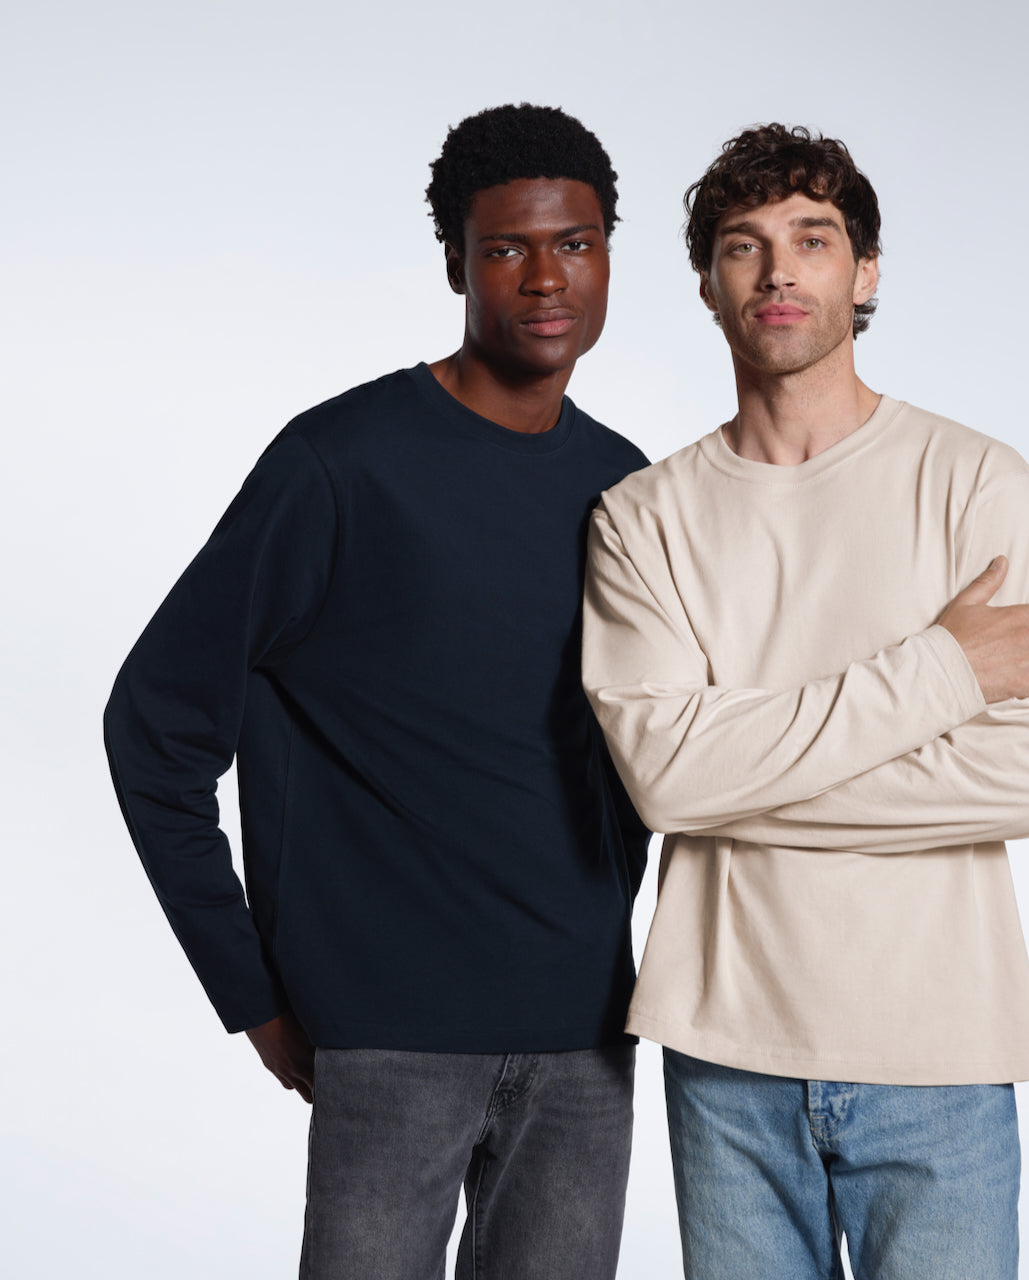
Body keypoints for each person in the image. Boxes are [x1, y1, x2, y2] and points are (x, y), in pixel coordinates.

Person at [104, 103, 649, 1280]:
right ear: (455, 260)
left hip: (589, 1035)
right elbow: (155, 725)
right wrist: (249, 990)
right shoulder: (339, 465)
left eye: (578, 241)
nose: (546, 278)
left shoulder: (630, 488)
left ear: (610, 255)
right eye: (506, 247)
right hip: (387, 1038)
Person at [582, 123, 1029, 1280]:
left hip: (939, 1041)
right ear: (707, 285)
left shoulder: (972, 479)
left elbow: (1023, 777)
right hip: (724, 1047)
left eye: (813, 239)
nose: (779, 270)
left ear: (862, 275)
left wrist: (738, 766)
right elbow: (662, 779)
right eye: (743, 246)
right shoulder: (642, 517)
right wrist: (942, 674)